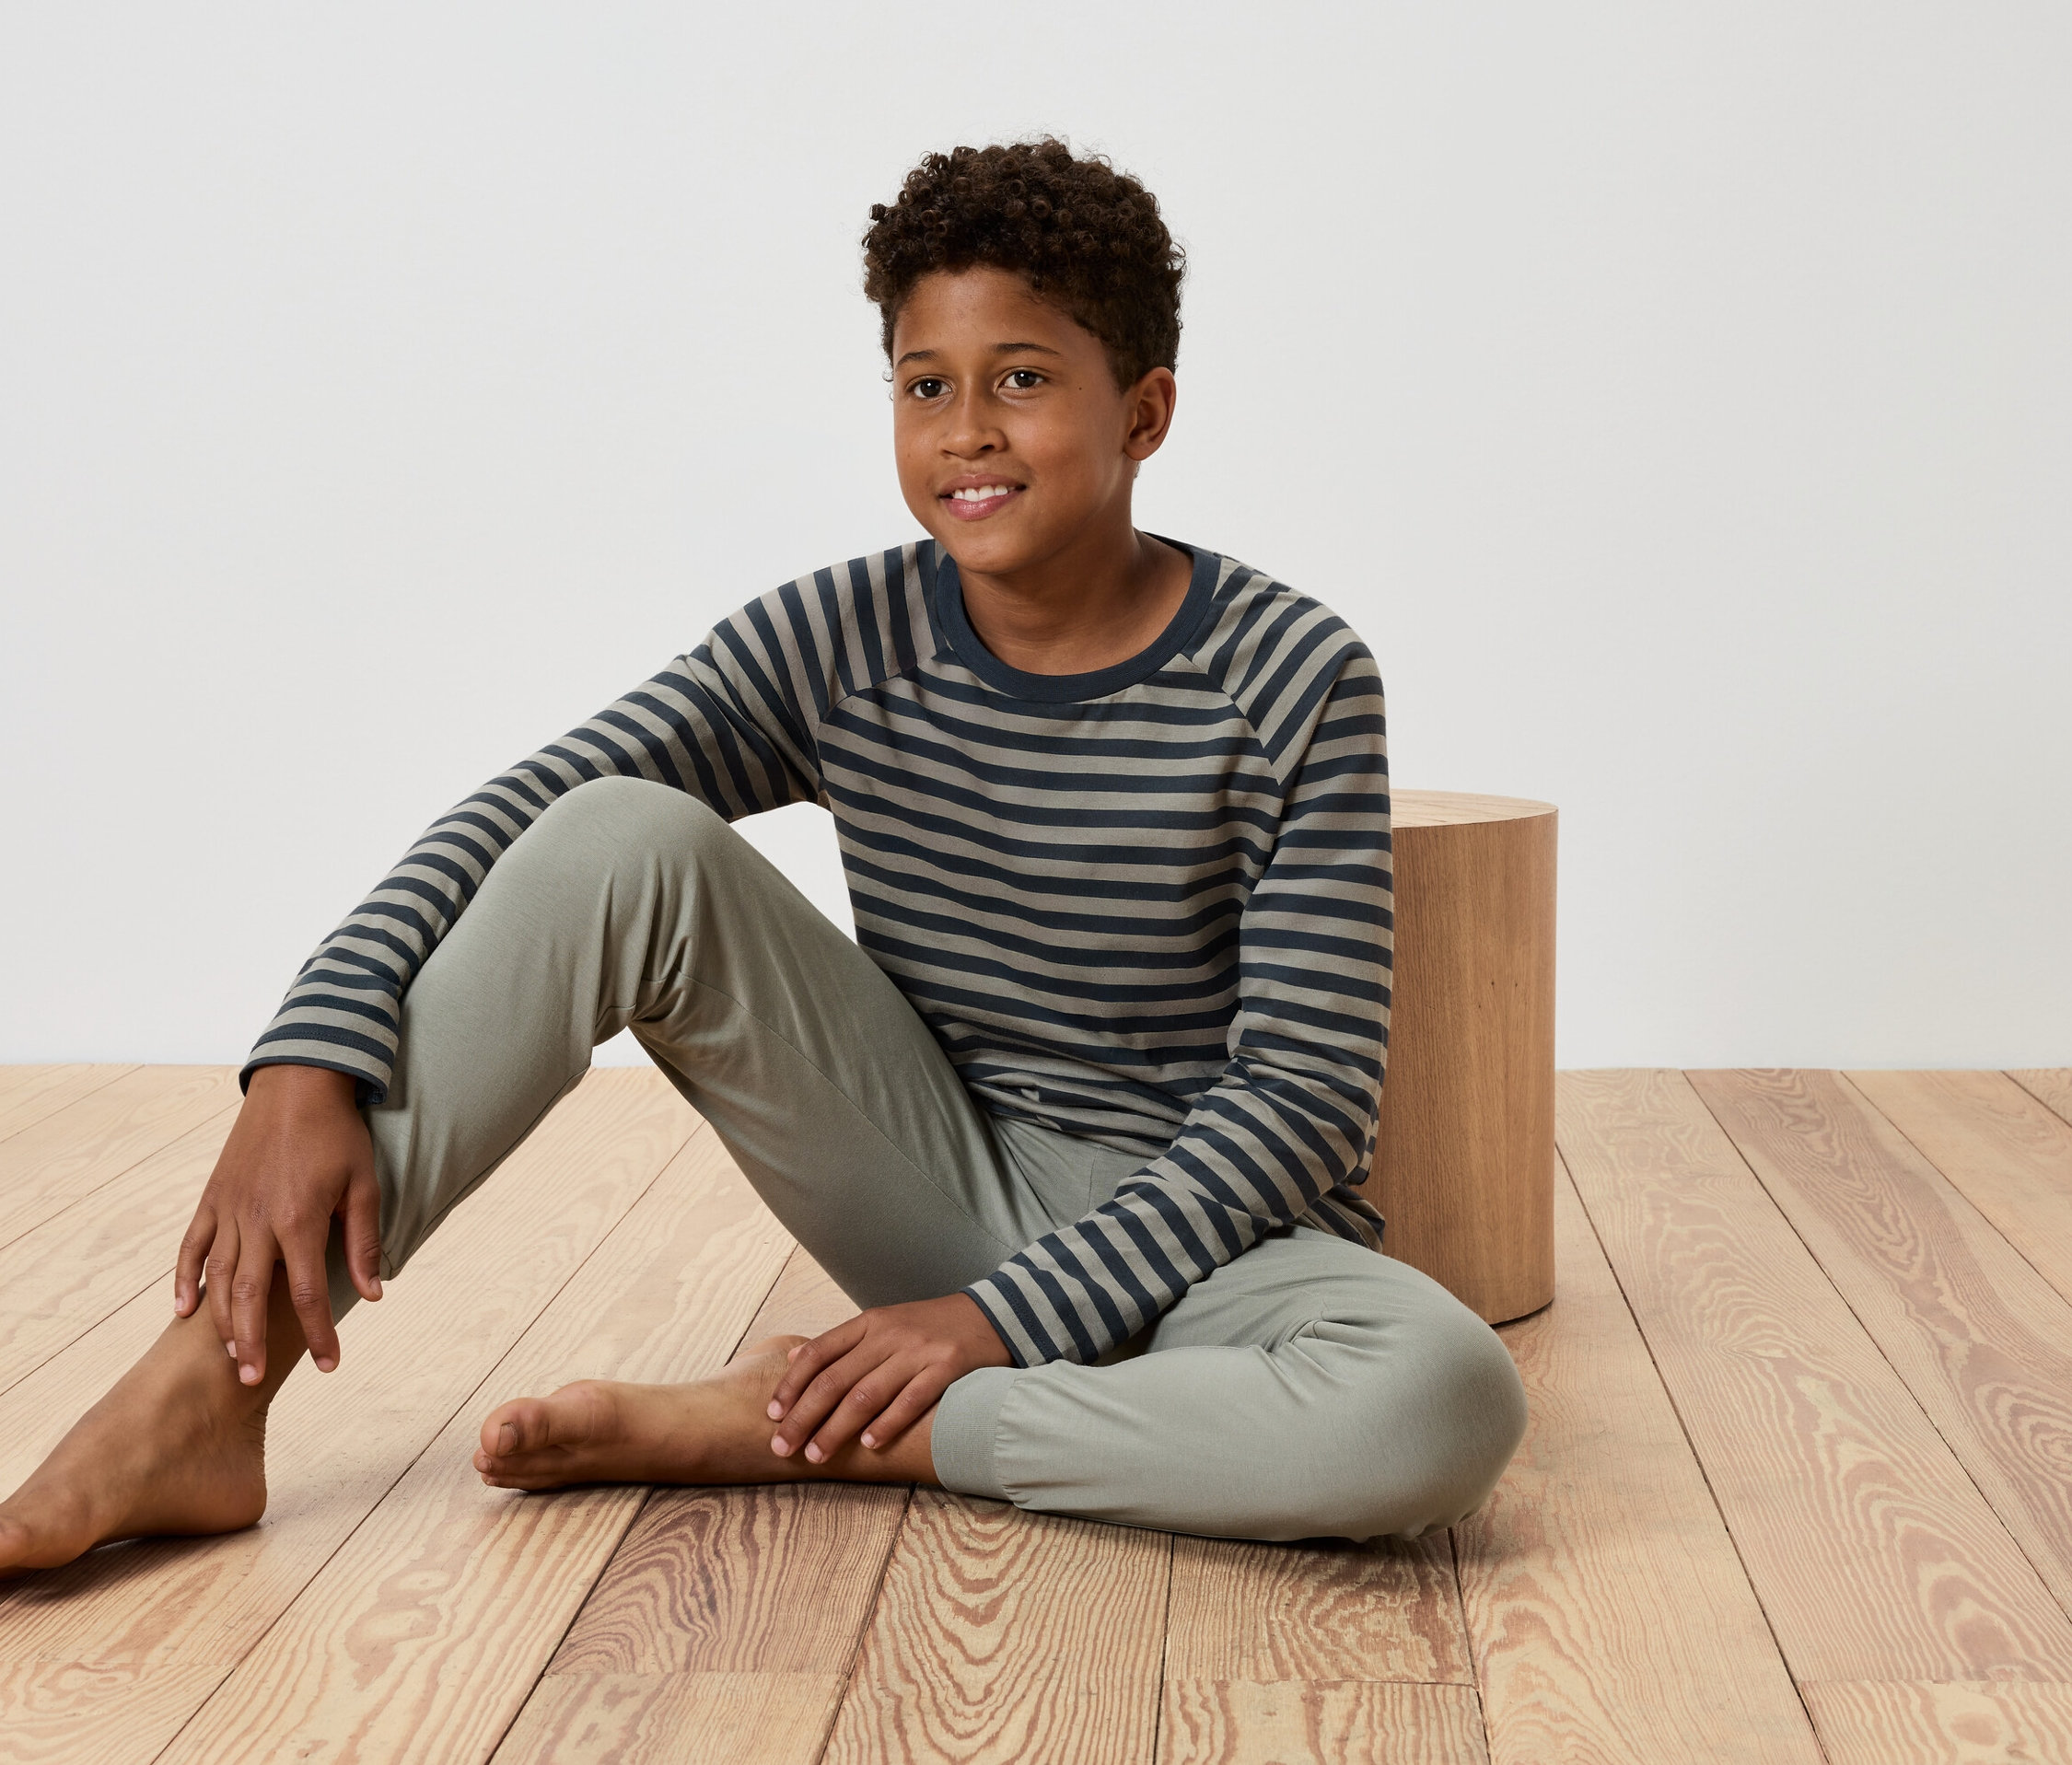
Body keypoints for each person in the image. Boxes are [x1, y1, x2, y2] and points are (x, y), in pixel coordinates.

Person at [0, 140, 1527, 1574]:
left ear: (1143, 411)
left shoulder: (1295, 673)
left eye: (1022, 380)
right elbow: (529, 810)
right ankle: (201, 1399)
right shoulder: (842, 636)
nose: (967, 431)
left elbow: (1303, 1099)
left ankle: (843, 1428)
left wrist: (997, 1324)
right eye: (924, 383)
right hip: (938, 1177)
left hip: (1209, 1236)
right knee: (618, 835)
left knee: (1444, 1400)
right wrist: (305, 1055)